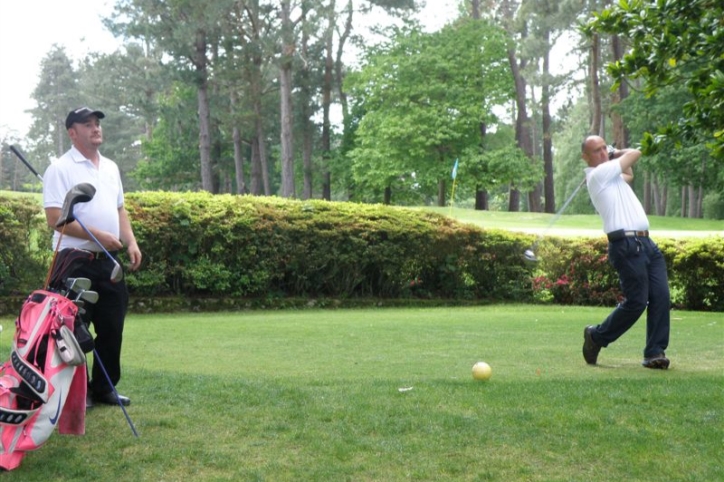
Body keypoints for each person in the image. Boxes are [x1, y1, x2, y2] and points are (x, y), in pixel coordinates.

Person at [43, 106, 142, 406]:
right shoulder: (60, 168)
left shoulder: (111, 167)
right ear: (72, 132)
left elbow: (119, 209)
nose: (95, 128)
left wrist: (131, 241)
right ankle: (77, 393)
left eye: (97, 123)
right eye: (87, 124)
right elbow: (54, 218)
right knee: (73, 330)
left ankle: (104, 387)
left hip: (108, 262)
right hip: (74, 259)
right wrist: (98, 235)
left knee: (112, 326)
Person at [580, 135, 670, 369]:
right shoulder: (599, 175)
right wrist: (615, 152)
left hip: (647, 243)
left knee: (661, 296)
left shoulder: (612, 176)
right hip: (625, 246)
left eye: (603, 149)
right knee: (637, 302)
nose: (602, 153)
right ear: (585, 157)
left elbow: (629, 173)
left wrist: (614, 153)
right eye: (596, 151)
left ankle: (655, 352)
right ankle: (596, 336)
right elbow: (635, 154)